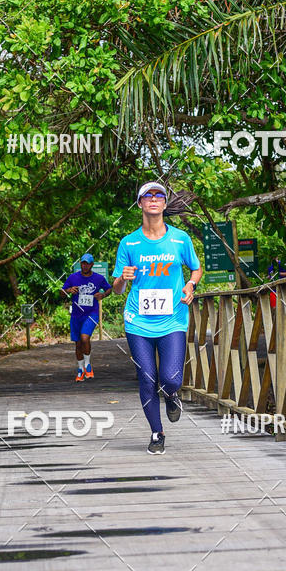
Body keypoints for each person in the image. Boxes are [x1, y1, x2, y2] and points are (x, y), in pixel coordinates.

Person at [112, 182, 202, 454]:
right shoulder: (129, 243)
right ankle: (156, 432)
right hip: (138, 321)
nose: (153, 199)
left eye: (158, 195)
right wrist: (121, 279)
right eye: (147, 196)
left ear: (164, 204)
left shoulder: (180, 239)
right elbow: (116, 289)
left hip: (173, 318)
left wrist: (190, 286)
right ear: (140, 204)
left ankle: (172, 395)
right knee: (147, 377)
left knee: (171, 378)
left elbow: (196, 270)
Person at [61, 253, 112, 381]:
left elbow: (109, 289)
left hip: (92, 313)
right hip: (77, 315)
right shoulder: (73, 277)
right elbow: (61, 293)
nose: (85, 265)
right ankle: (80, 369)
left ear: (92, 265)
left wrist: (103, 295)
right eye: (83, 263)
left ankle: (88, 365)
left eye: (87, 263)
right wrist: (68, 290)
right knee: (78, 344)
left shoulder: (98, 278)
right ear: (80, 264)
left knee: (85, 337)